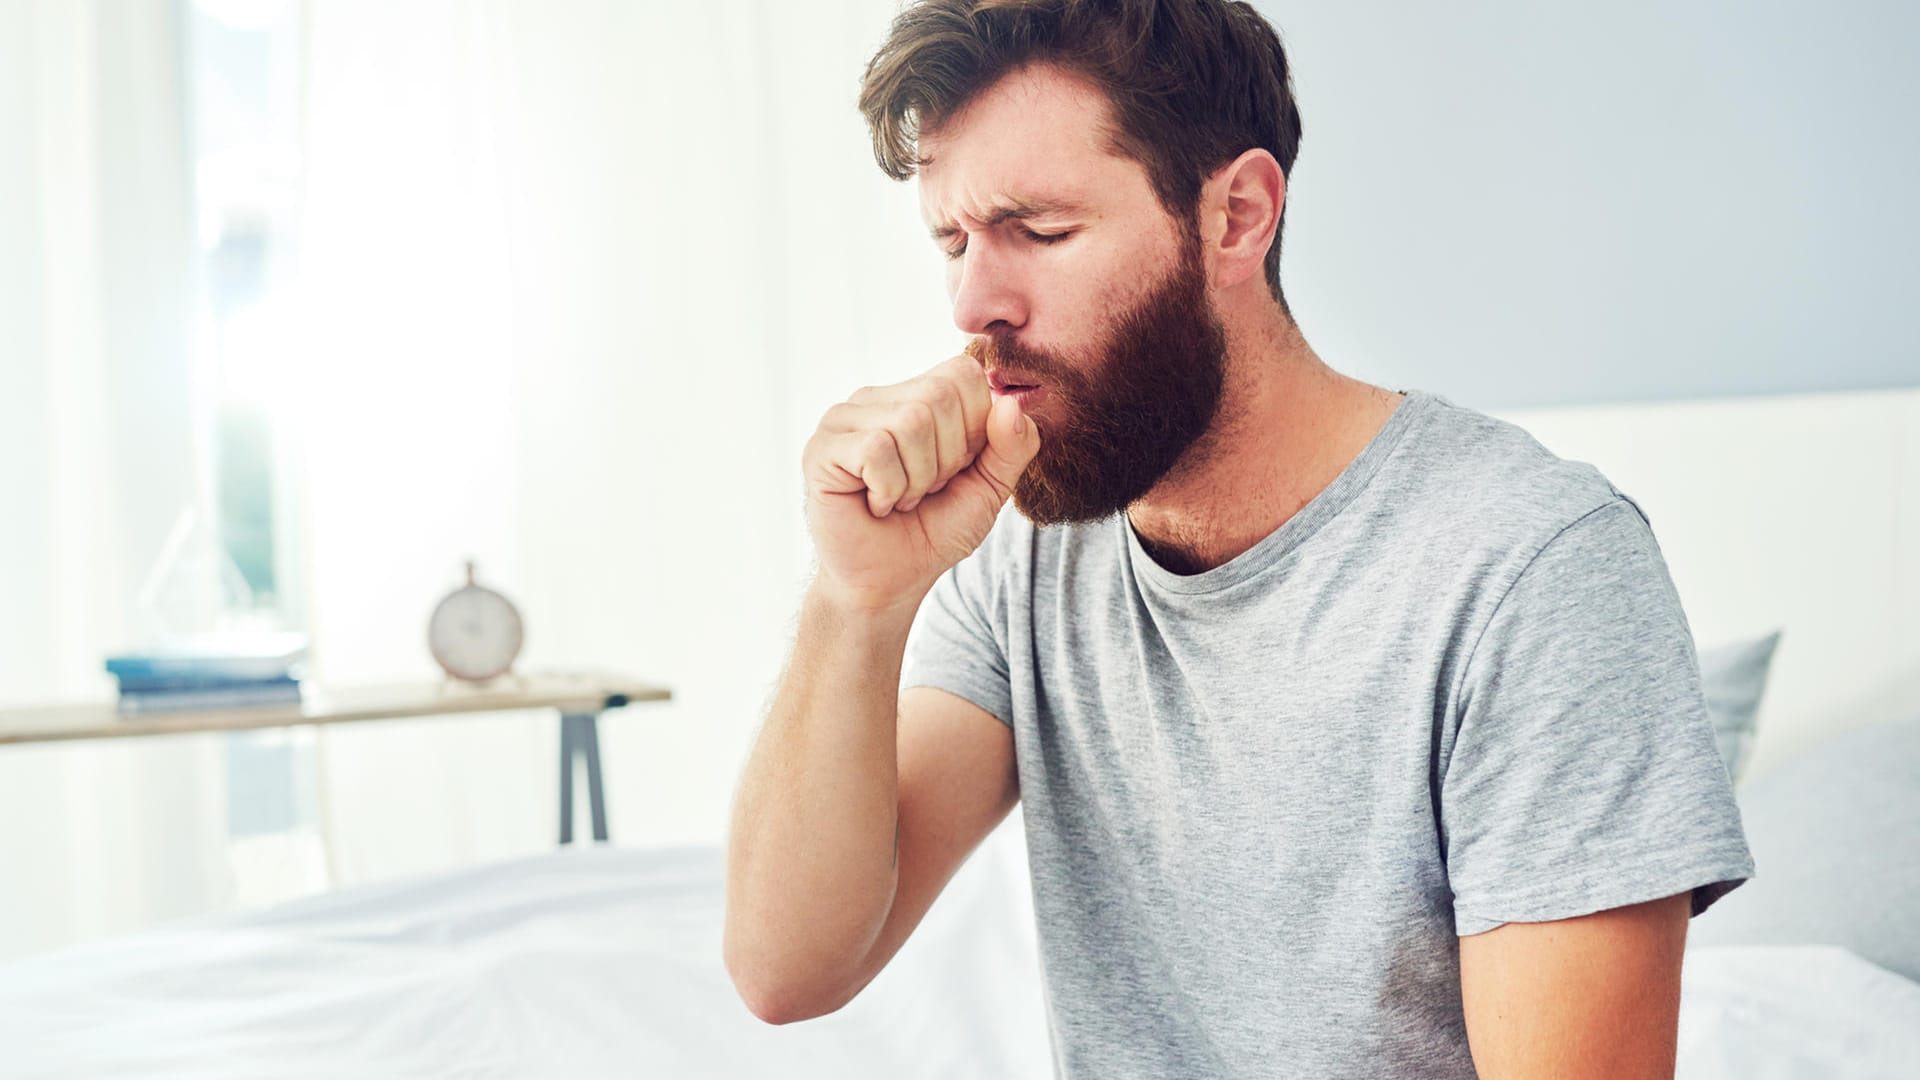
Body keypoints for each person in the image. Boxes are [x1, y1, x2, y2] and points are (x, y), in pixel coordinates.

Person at [723, 1, 1754, 1076]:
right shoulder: (1026, 546)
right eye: (954, 242)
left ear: (1237, 216)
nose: (974, 302)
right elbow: (786, 971)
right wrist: (858, 602)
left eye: (1040, 231)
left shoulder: (1531, 569)